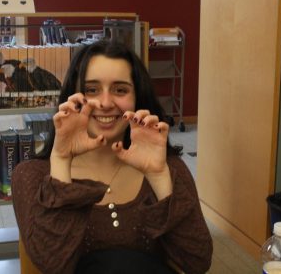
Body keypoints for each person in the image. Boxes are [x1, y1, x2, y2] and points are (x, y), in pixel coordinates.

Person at [12, 40, 213, 274]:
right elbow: (52, 263)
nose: (106, 103)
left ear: (137, 98)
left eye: (120, 90)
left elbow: (198, 262)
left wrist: (158, 177)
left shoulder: (169, 168)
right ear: (73, 97)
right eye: (92, 90)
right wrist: (61, 160)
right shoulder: (31, 175)